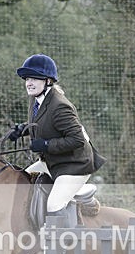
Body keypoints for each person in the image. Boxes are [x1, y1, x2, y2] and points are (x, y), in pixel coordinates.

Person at [7, 54, 105, 223]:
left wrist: (45, 145)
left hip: (75, 165)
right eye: (27, 78)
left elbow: (77, 140)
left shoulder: (60, 106)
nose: (28, 83)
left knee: (53, 205)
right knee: (19, 185)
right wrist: (23, 130)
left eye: (34, 79)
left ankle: (62, 247)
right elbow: (43, 124)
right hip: (52, 162)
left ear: (48, 81)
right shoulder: (35, 98)